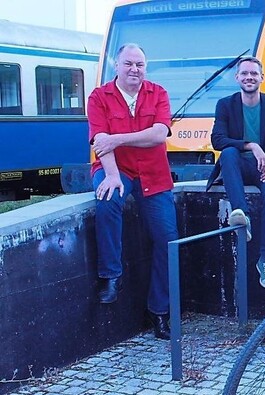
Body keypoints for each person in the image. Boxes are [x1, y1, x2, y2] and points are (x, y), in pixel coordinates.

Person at [88, 43, 177, 340]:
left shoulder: (158, 93)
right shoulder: (99, 97)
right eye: (128, 64)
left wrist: (118, 139)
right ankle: (111, 276)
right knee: (107, 200)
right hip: (117, 169)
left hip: (154, 174)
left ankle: (159, 311)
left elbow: (159, 134)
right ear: (117, 65)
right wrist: (112, 174)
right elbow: (101, 141)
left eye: (140, 65)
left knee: (167, 239)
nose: (134, 70)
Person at [207, 56, 265, 289]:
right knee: (227, 153)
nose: (249, 77)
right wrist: (251, 145)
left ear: (262, 78)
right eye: (244, 73)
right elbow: (218, 140)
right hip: (237, 165)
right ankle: (242, 214)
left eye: (254, 74)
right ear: (237, 77)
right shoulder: (225, 105)